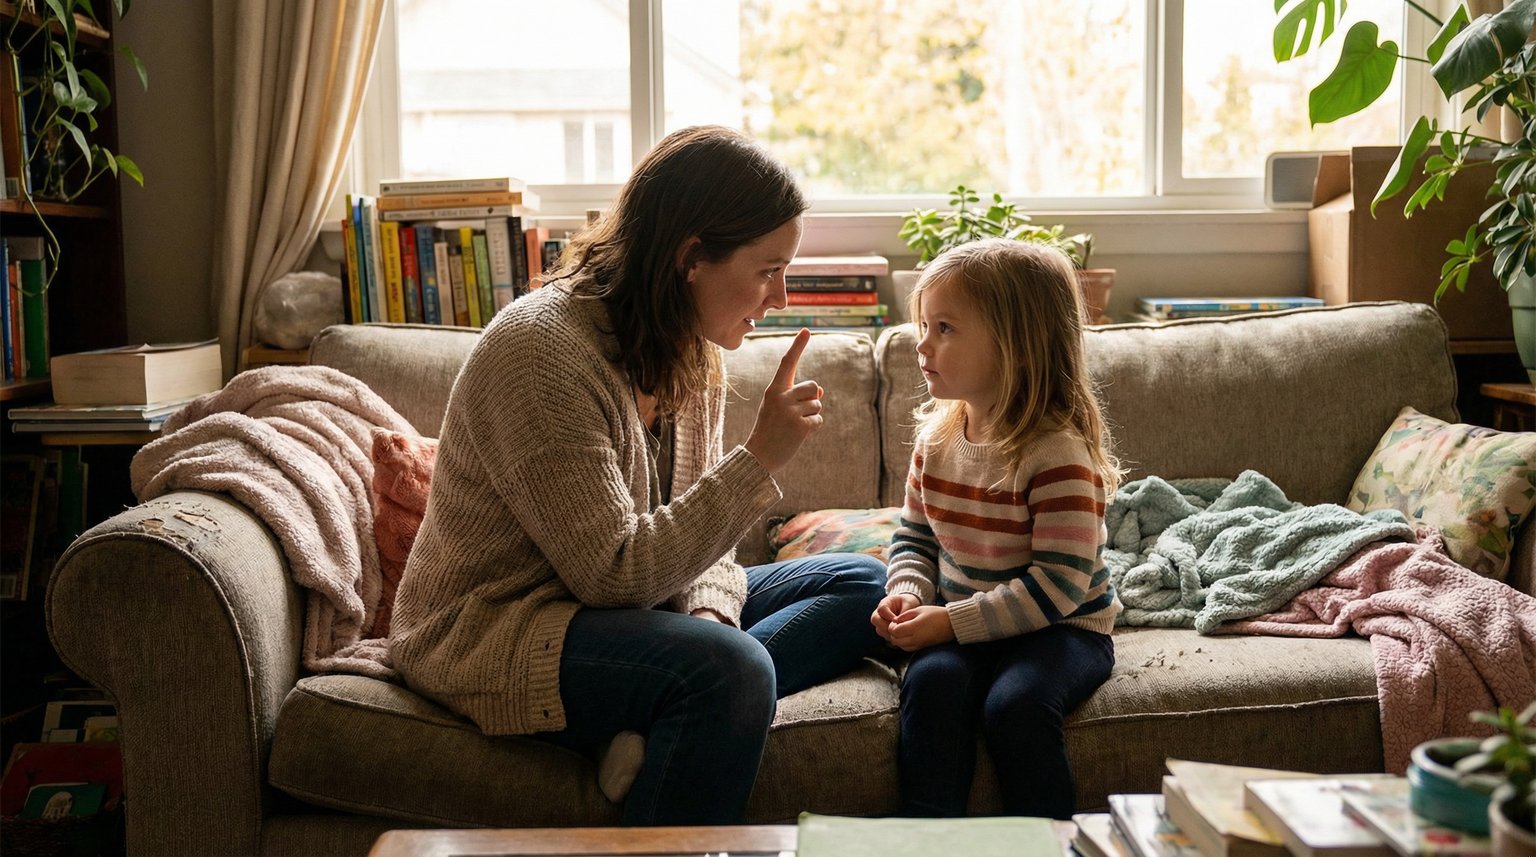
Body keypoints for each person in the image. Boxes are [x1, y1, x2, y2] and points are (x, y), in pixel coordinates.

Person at [389, 125, 886, 826]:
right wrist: (759, 459)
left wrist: (712, 616)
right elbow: (613, 571)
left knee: (865, 581)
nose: (779, 296)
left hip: (637, 611)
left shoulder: (693, 346)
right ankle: (679, 702)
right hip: (504, 621)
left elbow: (699, 542)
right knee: (732, 672)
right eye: (768, 268)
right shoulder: (540, 353)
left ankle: (651, 724)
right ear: (691, 257)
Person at [869, 237, 1123, 820]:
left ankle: (1047, 839)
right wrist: (907, 593)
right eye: (924, 326)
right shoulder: (935, 440)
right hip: (963, 620)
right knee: (931, 687)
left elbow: (1058, 587)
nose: (922, 346)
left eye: (946, 329)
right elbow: (914, 538)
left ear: (1017, 345)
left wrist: (949, 625)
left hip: (1063, 629)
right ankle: (931, 834)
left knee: (1016, 705)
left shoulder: (1055, 453)